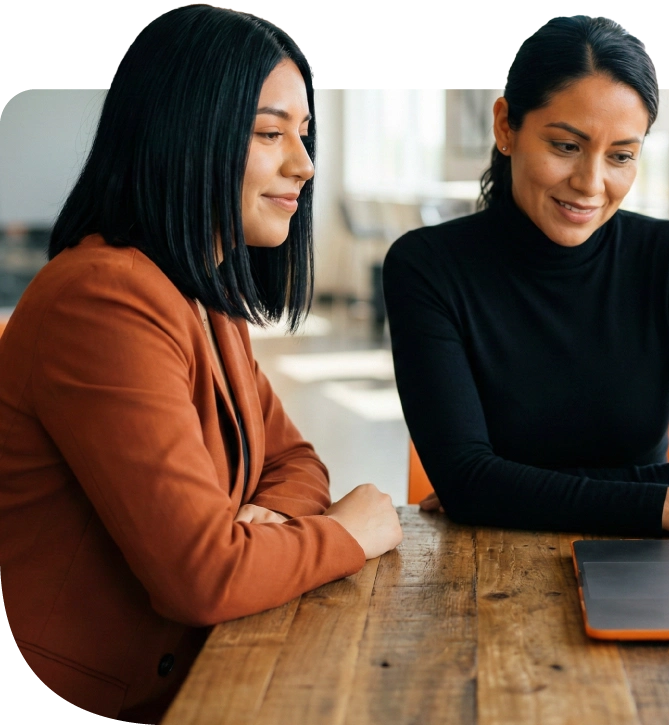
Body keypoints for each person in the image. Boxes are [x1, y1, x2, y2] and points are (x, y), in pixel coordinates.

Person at [0, 6, 401, 723]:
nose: (304, 165)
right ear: (187, 133)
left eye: (303, 135)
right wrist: (349, 532)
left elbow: (296, 460)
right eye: (270, 133)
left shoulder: (203, 295)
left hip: (196, 671)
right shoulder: (102, 299)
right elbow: (204, 577)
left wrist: (267, 525)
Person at [382, 15, 669, 541]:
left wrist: (510, 493)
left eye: (621, 156)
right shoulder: (427, 266)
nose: (591, 184)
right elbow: (468, 484)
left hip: (643, 560)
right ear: (505, 127)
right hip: (490, 562)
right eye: (566, 146)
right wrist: (668, 503)